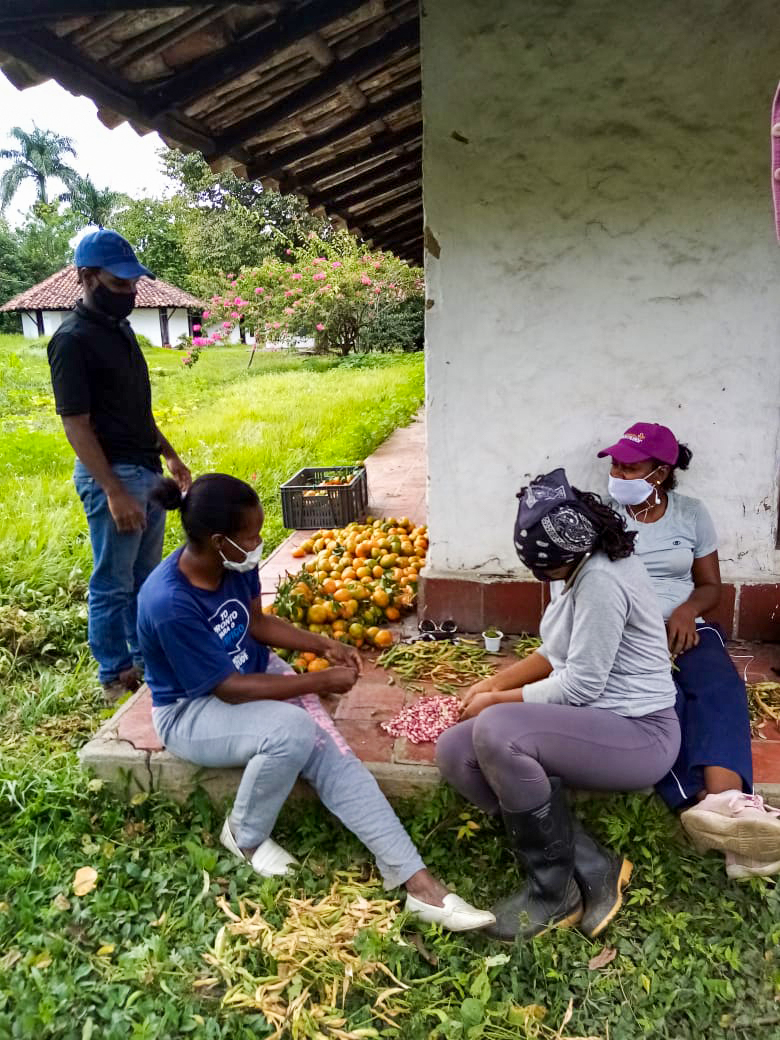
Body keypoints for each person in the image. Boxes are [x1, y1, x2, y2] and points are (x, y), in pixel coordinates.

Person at [136, 472, 494, 933]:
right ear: (219, 541)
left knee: (330, 749)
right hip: (190, 710)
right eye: (252, 536)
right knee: (294, 731)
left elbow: (256, 624)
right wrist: (318, 680)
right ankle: (244, 836)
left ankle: (416, 881)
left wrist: (323, 644)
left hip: (247, 673)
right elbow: (228, 688)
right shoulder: (169, 604)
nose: (259, 543)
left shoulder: (231, 565)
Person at [436, 469, 681, 941]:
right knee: (455, 751)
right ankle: (592, 864)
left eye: (543, 571)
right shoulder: (577, 560)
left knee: (498, 729)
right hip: (594, 718)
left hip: (638, 732)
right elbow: (555, 653)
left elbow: (580, 686)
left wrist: (495, 701)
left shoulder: (601, 581)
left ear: (561, 558)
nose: (542, 578)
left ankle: (553, 892)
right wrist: (492, 681)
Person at [598, 422, 780, 879]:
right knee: (665, 703)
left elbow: (710, 586)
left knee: (719, 688)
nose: (617, 473)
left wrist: (684, 611)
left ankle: (726, 805)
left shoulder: (691, 514)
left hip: (686, 628)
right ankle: (719, 814)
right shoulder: (601, 516)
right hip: (625, 634)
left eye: (629, 467)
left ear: (659, 472)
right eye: (615, 464)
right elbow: (588, 587)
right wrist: (638, 627)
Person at [47, 229, 191, 702]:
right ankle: (113, 675)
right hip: (114, 474)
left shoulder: (121, 330)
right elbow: (76, 424)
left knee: (145, 579)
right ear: (87, 278)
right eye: (118, 283)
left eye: (132, 284)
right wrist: (112, 490)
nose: (129, 293)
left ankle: (144, 660)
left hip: (146, 470)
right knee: (113, 582)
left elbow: (136, 409)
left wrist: (169, 453)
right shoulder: (72, 340)